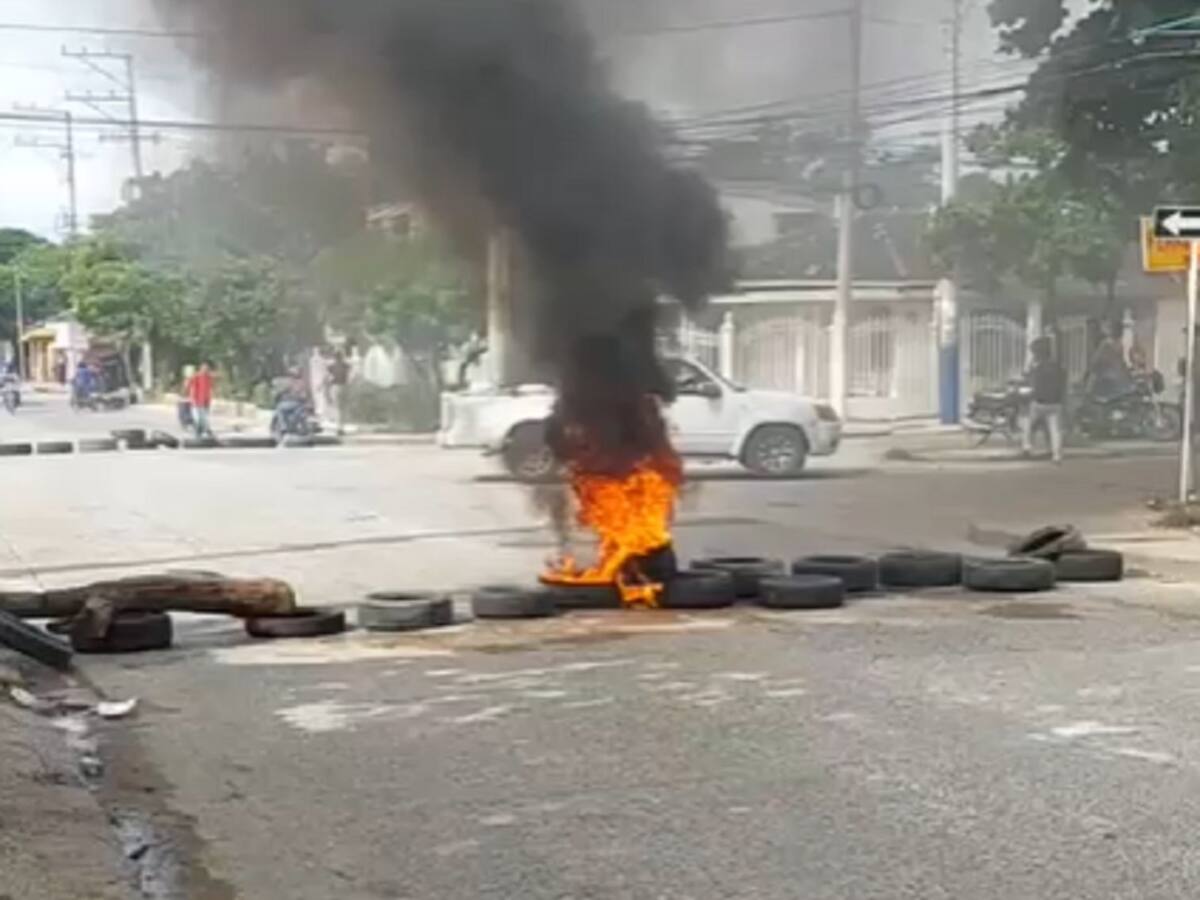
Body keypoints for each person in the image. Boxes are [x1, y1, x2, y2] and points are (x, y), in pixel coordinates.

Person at [1022, 336, 1066, 464]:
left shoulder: (1037, 368)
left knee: (1028, 423)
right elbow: (1063, 384)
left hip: (1039, 402)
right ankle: (1056, 455)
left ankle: (1027, 446)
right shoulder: (1058, 367)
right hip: (1055, 402)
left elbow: (1032, 384)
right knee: (1055, 430)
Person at [1086, 319, 1131, 400]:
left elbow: (1120, 366)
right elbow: (1095, 366)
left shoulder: (1114, 345)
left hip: (1110, 386)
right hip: (1106, 387)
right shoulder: (1106, 346)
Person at [186, 362, 215, 439]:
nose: (205, 370)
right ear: (201, 369)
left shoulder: (209, 377)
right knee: (199, 418)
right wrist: (192, 399)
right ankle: (200, 431)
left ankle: (204, 431)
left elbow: (210, 388)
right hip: (197, 400)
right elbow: (191, 388)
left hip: (206, 401)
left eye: (207, 369)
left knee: (205, 417)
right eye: (204, 369)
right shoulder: (196, 377)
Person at [327, 348, 350, 435]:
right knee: (342, 408)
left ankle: (338, 427)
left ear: (334, 357)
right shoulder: (346, 365)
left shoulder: (331, 367)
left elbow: (329, 378)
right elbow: (350, 376)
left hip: (335, 387)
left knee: (337, 408)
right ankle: (341, 427)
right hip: (344, 387)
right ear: (342, 356)